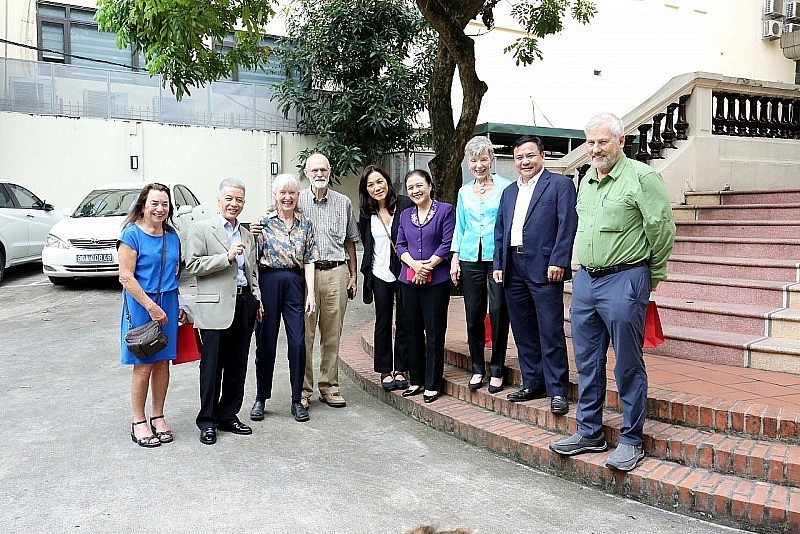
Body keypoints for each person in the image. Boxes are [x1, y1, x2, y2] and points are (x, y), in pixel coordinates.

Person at [549, 113, 676, 472]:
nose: (595, 148)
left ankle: (632, 439)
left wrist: (650, 275)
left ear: (621, 141)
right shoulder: (587, 178)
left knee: (627, 364)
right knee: (587, 360)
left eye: (602, 141)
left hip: (625, 278)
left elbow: (662, 229)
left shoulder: (642, 177)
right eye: (590, 142)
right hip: (586, 281)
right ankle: (590, 432)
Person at [493, 135, 577, 414]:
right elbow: (500, 231)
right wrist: (498, 264)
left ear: (542, 156)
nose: (524, 162)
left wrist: (559, 261)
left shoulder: (560, 185)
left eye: (529, 155)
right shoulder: (509, 192)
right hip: (512, 266)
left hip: (545, 267)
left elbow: (567, 225)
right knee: (523, 328)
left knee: (550, 328)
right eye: (519, 157)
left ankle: (557, 390)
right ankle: (533, 382)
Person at [183, 178, 263, 445]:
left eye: (239, 199)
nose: (234, 203)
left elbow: (252, 271)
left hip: (244, 304)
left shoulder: (248, 234)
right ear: (219, 200)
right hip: (214, 307)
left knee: (237, 365)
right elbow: (192, 265)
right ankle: (207, 420)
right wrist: (225, 257)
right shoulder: (201, 229)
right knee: (211, 367)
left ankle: (228, 414)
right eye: (229, 198)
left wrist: (257, 300)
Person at [118, 183, 184, 448]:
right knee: (143, 364)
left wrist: (179, 304)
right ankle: (138, 421)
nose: (160, 209)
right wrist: (150, 307)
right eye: (154, 203)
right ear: (143, 205)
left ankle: (158, 415)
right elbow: (126, 277)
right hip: (141, 304)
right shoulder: (131, 234)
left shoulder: (172, 235)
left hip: (168, 302)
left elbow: (176, 272)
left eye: (164, 204)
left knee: (163, 362)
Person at [250, 174, 318, 423]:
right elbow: (253, 263)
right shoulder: (263, 223)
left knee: (298, 342)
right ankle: (261, 397)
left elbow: (310, 259)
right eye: (282, 193)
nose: (287, 197)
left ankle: (296, 399)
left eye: (292, 192)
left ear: (298, 196)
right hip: (268, 281)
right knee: (265, 343)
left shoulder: (306, 224)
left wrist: (311, 293)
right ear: (275, 195)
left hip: (294, 282)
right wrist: (256, 295)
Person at [450, 136, 512, 394]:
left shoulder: (506, 188)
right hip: (469, 258)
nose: (478, 165)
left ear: (492, 160)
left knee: (498, 312)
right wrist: (455, 258)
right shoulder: (464, 192)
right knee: (473, 315)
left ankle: (497, 368)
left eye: (483, 159)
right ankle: (478, 366)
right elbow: (459, 226)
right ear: (467, 162)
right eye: (473, 160)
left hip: (496, 258)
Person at [298, 153, 360, 409]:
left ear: (330, 170)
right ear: (306, 172)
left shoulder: (343, 202)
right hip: (305, 275)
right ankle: (302, 389)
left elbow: (350, 240)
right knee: (304, 335)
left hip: (337, 271)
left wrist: (354, 275)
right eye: (314, 170)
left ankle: (330, 386)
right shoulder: (297, 200)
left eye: (323, 169)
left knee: (332, 334)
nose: (319, 174)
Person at [396, 169, 456, 403]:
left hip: (437, 281)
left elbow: (446, 242)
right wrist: (414, 264)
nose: (415, 191)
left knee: (433, 332)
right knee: (411, 331)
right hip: (409, 280)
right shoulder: (405, 214)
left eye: (419, 185)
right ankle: (416, 380)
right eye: (411, 187)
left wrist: (427, 266)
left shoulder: (445, 210)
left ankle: (432, 383)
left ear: (430, 185)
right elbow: (400, 245)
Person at [358, 164, 414, 391]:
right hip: (379, 272)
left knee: (404, 320)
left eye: (379, 182)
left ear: (387, 181)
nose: (376, 187)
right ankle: (384, 370)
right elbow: (367, 243)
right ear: (366, 189)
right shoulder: (366, 213)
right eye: (370, 184)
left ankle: (401, 368)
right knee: (382, 321)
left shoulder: (405, 204)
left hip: (403, 270)